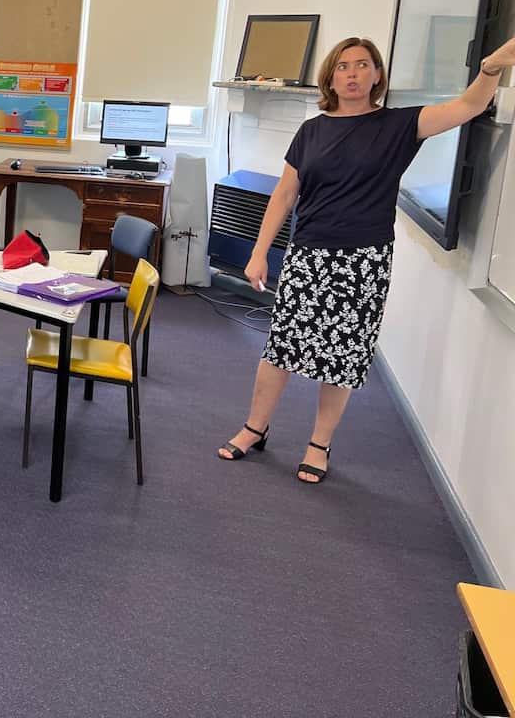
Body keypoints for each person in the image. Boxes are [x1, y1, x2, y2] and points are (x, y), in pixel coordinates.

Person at [217, 34, 513, 483]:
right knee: (280, 350)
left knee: (342, 356)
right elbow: (284, 195)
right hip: (308, 254)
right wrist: (260, 252)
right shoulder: (312, 130)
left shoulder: (399, 126)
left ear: (377, 75)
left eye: (362, 65)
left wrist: (492, 67)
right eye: (342, 66)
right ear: (330, 78)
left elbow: (467, 107)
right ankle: (254, 428)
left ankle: (319, 445)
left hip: (363, 261)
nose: (352, 74)